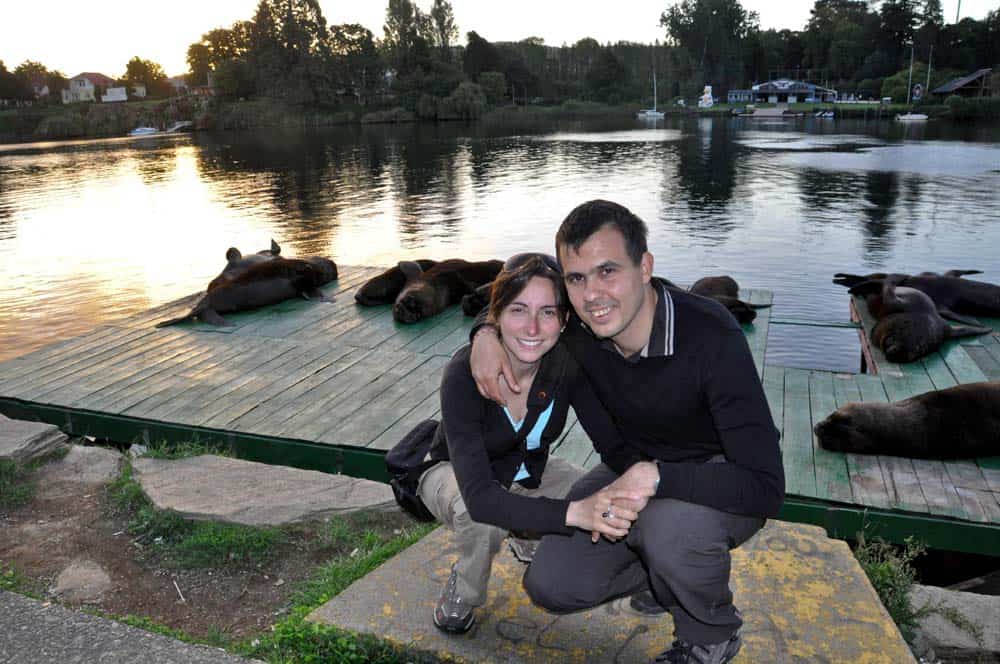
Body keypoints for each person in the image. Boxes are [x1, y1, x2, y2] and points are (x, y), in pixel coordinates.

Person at [468, 200, 785, 664]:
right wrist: (485, 333)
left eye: (608, 271)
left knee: (670, 527)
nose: (592, 294)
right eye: (576, 278)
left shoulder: (710, 336)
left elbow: (765, 487)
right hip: (636, 468)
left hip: (724, 478)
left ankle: (711, 634)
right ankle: (665, 575)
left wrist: (657, 479)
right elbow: (517, 293)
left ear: (645, 267)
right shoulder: (578, 329)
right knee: (551, 585)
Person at [417, 252, 644, 635]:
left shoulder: (566, 367)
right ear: (496, 316)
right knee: (483, 520)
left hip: (530, 469)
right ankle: (466, 590)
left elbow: (611, 445)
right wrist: (576, 514)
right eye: (519, 310)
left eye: (548, 313)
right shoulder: (463, 372)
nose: (533, 328)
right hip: (454, 472)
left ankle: (530, 533)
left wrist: (649, 472)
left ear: (564, 320)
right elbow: (483, 499)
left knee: (603, 488)